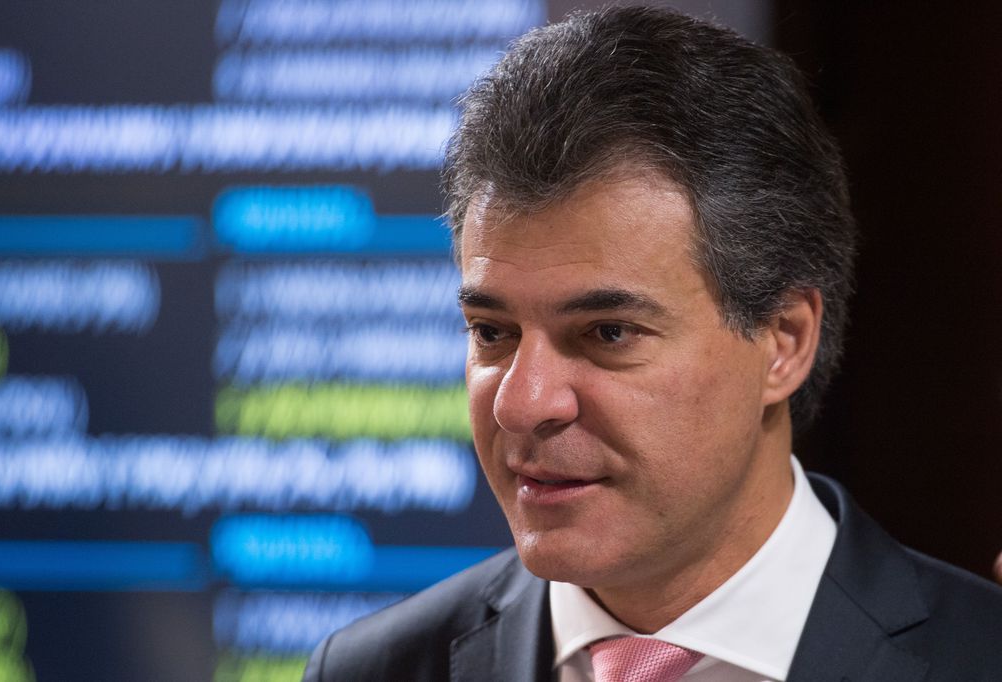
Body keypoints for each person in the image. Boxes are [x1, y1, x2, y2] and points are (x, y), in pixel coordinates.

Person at [303, 6, 1002, 681]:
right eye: (492, 332)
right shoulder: (371, 670)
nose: (522, 404)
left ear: (784, 341)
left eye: (607, 333)